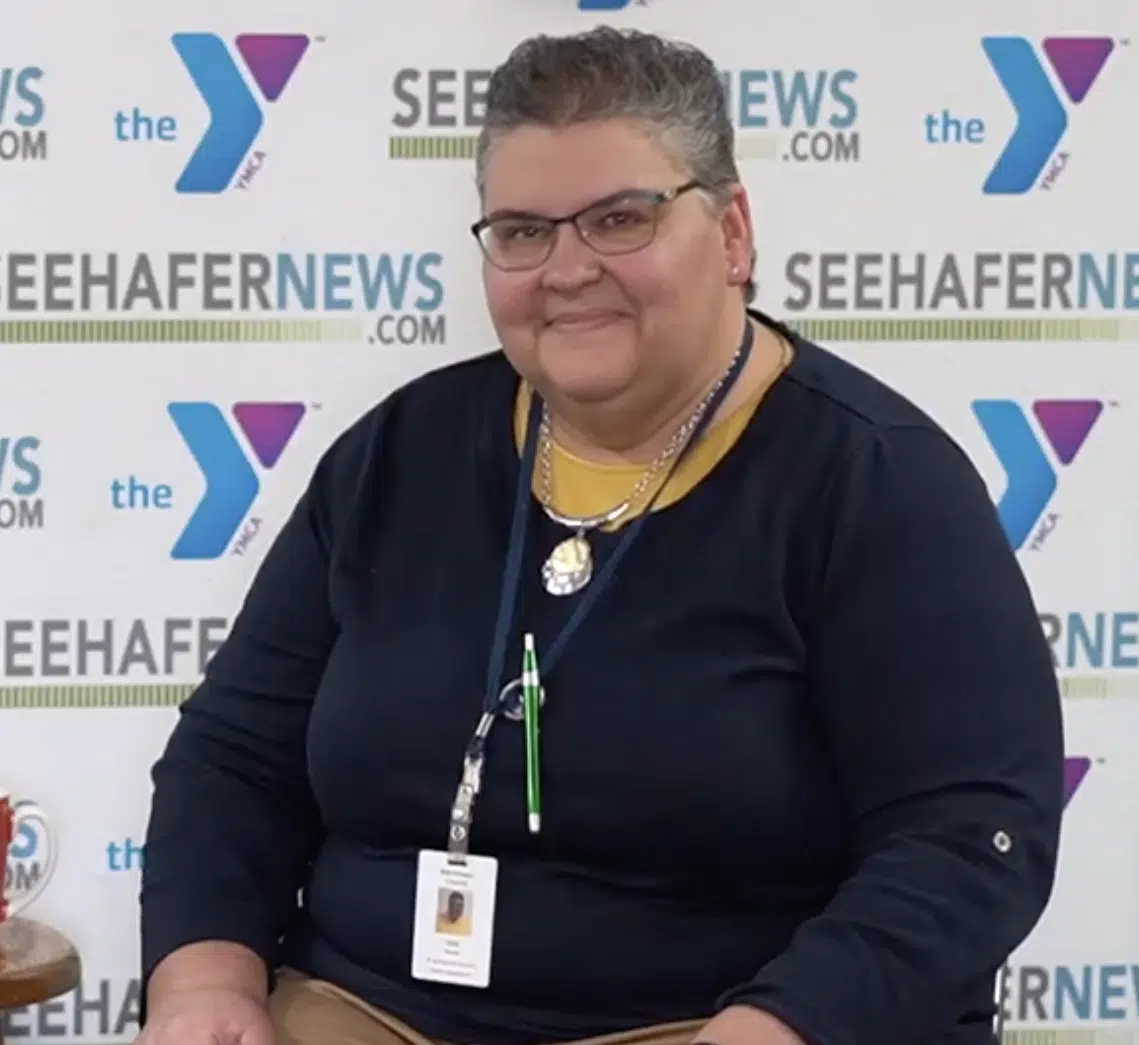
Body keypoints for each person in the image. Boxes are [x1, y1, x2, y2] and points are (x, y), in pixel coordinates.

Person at [134, 25, 1064, 1045]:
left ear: (733, 233)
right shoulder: (394, 456)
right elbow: (233, 756)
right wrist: (202, 981)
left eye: (620, 219)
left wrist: (780, 1025)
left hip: (718, 1024)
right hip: (369, 1007)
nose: (566, 268)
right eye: (522, 231)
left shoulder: (879, 485)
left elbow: (965, 837)